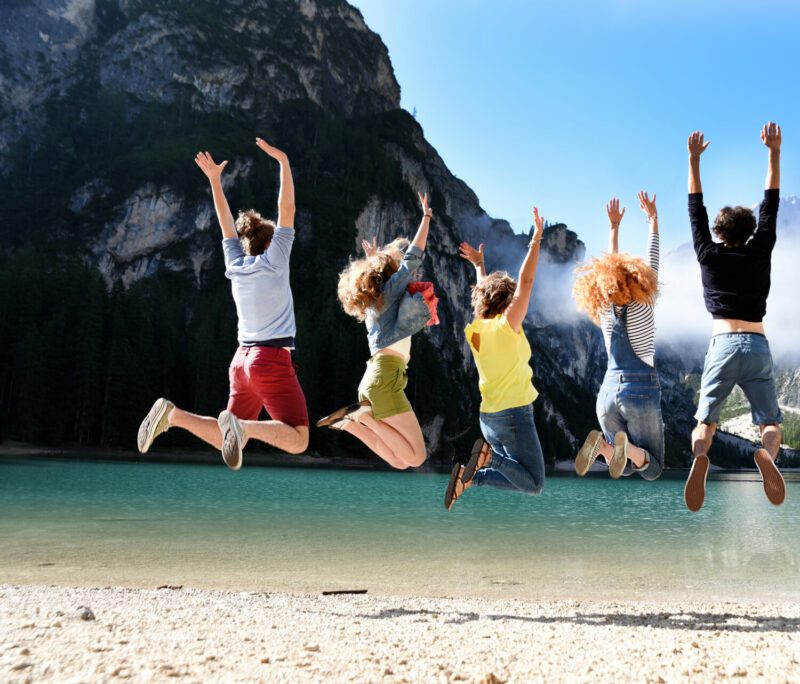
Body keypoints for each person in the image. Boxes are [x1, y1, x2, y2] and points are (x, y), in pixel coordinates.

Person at [137, 139, 309, 468]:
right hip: (269, 360)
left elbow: (225, 226)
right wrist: (284, 162)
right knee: (299, 438)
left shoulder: (237, 265)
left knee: (228, 438)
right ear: (272, 241)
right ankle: (241, 426)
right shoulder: (276, 259)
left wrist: (215, 182)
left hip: (241, 361)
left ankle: (172, 416)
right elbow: (287, 210)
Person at [684, 123, 787, 511]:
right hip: (757, 344)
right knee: (770, 423)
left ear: (718, 231)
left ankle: (699, 457)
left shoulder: (707, 254)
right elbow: (771, 202)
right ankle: (768, 456)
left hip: (722, 343)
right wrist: (773, 153)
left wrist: (694, 161)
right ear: (751, 231)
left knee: (705, 422)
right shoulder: (761, 249)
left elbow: (695, 209)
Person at [316, 192, 438, 470]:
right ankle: (363, 418)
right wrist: (426, 218)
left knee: (399, 460)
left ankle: (351, 423)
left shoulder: (372, 304)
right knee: (416, 457)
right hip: (386, 378)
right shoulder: (392, 291)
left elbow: (384, 275)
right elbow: (413, 257)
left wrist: (373, 259)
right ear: (389, 275)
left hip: (371, 380)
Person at [444, 208, 547, 509]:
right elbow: (526, 283)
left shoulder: (476, 330)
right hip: (513, 416)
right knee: (534, 483)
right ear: (509, 302)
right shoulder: (507, 326)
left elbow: (485, 297)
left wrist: (480, 266)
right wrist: (536, 240)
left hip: (488, 418)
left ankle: (471, 477)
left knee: (520, 479)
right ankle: (490, 459)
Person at [572, 192, 664, 480]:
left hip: (607, 393)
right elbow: (653, 260)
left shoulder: (603, 310)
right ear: (640, 280)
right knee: (654, 469)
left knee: (622, 467)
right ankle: (620, 447)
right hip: (640, 390)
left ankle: (604, 446)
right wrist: (653, 220)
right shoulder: (645, 303)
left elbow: (609, 268)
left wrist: (613, 228)